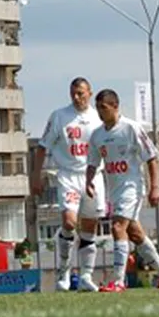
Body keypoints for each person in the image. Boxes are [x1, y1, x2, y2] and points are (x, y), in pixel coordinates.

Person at [85, 89, 159, 292]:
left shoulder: (131, 128)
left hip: (132, 187)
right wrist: (88, 181)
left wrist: (155, 187)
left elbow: (151, 156)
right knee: (134, 234)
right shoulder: (98, 135)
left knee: (118, 227)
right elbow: (92, 161)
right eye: (98, 108)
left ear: (115, 106)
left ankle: (118, 281)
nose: (100, 112)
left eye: (103, 108)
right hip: (114, 190)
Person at [31, 77, 106, 292]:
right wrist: (36, 176)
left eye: (81, 93)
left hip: (93, 176)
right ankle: (63, 272)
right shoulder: (59, 116)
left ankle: (86, 276)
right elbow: (42, 146)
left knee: (90, 227)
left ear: (89, 93)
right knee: (69, 221)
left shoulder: (98, 118)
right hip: (68, 175)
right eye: (73, 93)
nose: (76, 97)